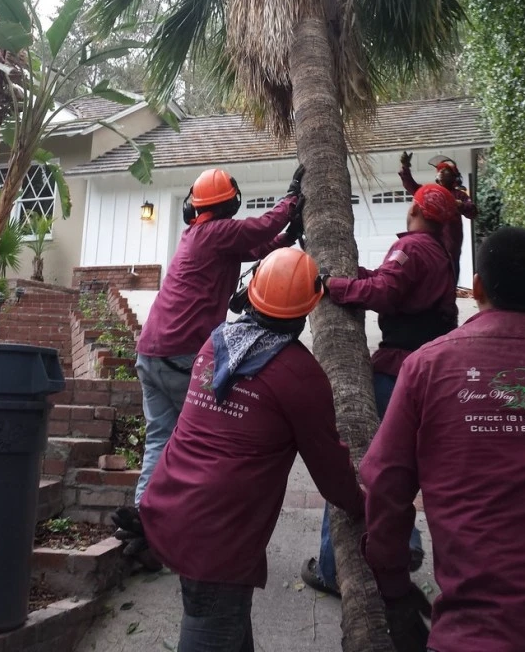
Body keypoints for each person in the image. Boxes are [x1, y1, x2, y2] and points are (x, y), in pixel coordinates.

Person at [139, 247, 364, 652]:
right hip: (219, 539)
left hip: (171, 509)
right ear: (309, 307)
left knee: (226, 626)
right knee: (212, 626)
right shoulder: (300, 374)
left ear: (251, 292)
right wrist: (367, 506)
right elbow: (332, 473)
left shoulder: (215, 344)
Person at [360, 226, 525, 652]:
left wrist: (393, 584)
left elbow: (385, 486)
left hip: (472, 633)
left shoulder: (427, 366)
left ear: (475, 288)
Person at [302, 183, 458, 596]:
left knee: (358, 459)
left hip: (396, 369)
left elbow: (387, 291)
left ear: (414, 210)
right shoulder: (442, 252)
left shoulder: (412, 248)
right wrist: (357, 276)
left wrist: (335, 288)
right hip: (427, 366)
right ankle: (403, 542)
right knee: (401, 464)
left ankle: (334, 569)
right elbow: (391, 282)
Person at [133, 164, 305, 507]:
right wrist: (290, 201)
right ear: (230, 205)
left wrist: (288, 237)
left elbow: (255, 248)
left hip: (151, 354)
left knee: (160, 439)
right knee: (206, 439)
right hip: (181, 354)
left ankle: (144, 517)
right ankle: (198, 516)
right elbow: (259, 229)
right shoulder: (217, 232)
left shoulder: (198, 236)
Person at [399, 151, 477, 281]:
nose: (441, 172)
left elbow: (473, 212)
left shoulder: (460, 195)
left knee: (450, 278)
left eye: (445, 171)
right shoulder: (432, 192)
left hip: (452, 248)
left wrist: (460, 205)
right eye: (439, 171)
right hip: (433, 244)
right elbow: (411, 186)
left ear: (453, 176)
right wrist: (405, 168)